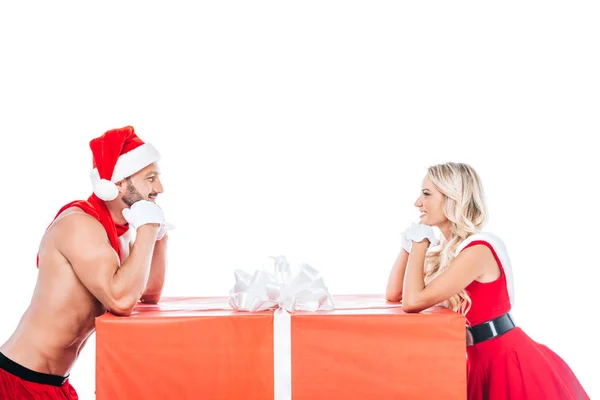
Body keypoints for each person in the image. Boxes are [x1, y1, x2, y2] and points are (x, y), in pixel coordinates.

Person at [385, 162, 589, 400]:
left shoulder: (478, 250)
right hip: (477, 363)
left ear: (452, 198)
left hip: (508, 363)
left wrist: (420, 243)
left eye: (426, 194)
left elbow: (413, 302)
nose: (417, 202)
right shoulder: (450, 250)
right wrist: (408, 246)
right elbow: (394, 294)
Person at [0, 126, 170, 399]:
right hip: (16, 381)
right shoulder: (81, 225)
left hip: (54, 384)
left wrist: (158, 238)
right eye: (150, 178)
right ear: (117, 184)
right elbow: (121, 300)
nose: (159, 188)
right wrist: (148, 229)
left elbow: (148, 295)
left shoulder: (121, 233)